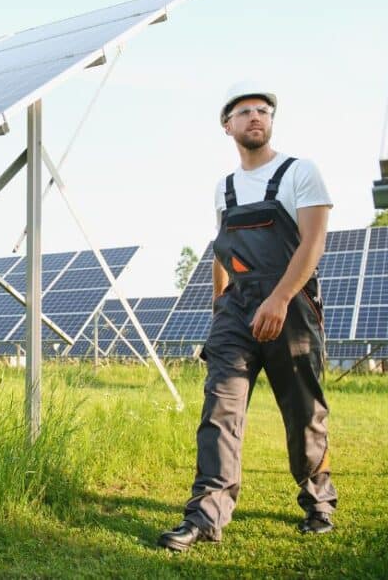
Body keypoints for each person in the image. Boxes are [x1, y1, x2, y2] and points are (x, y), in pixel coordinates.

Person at [158, 80, 338, 552]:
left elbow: (314, 243)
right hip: (237, 311)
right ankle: (205, 515)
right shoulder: (225, 187)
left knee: (303, 411)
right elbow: (222, 247)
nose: (255, 116)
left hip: (291, 305)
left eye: (263, 110)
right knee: (219, 410)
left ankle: (318, 501)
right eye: (244, 111)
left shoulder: (301, 172)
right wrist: (220, 304)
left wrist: (279, 299)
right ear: (227, 126)